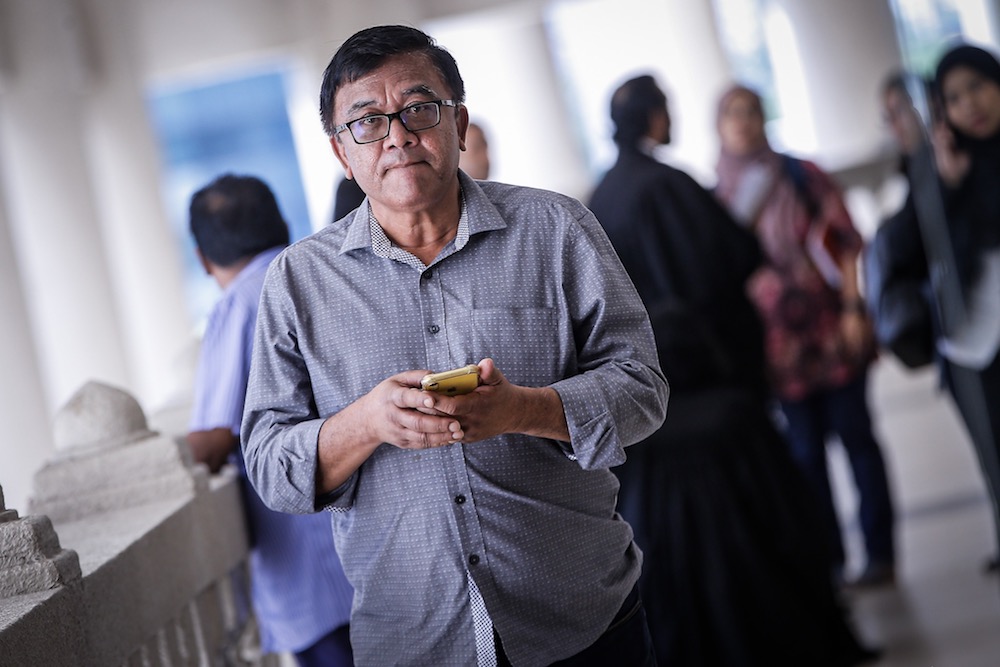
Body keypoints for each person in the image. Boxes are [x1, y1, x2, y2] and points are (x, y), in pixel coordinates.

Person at [241, 25, 668, 667]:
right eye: (367, 122)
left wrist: (521, 409)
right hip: (413, 642)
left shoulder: (555, 230)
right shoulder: (298, 284)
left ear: (458, 122)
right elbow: (271, 465)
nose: (397, 136)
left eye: (419, 109)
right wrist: (365, 423)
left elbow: (642, 389)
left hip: (583, 623)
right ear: (340, 152)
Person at [589, 75, 877, 666]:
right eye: (666, 109)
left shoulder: (602, 195)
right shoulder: (668, 184)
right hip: (715, 389)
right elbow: (732, 260)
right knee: (764, 523)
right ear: (651, 117)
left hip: (654, 414)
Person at [714, 85, 897, 589]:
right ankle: (829, 562)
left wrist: (855, 309)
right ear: (718, 126)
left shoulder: (801, 176)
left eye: (751, 112)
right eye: (733, 115)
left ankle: (880, 553)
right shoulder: (719, 197)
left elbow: (845, 244)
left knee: (857, 440)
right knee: (805, 457)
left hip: (832, 331)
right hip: (777, 350)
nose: (744, 124)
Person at [186, 174, 354, 666]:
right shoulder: (316, 272)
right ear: (281, 222)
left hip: (309, 561)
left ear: (202, 257)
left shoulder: (236, 305)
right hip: (371, 542)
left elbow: (214, 439)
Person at [919, 43, 1000, 574]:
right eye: (953, 96)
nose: (970, 103)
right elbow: (910, 245)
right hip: (974, 338)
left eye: (977, 85)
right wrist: (943, 182)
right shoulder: (940, 169)